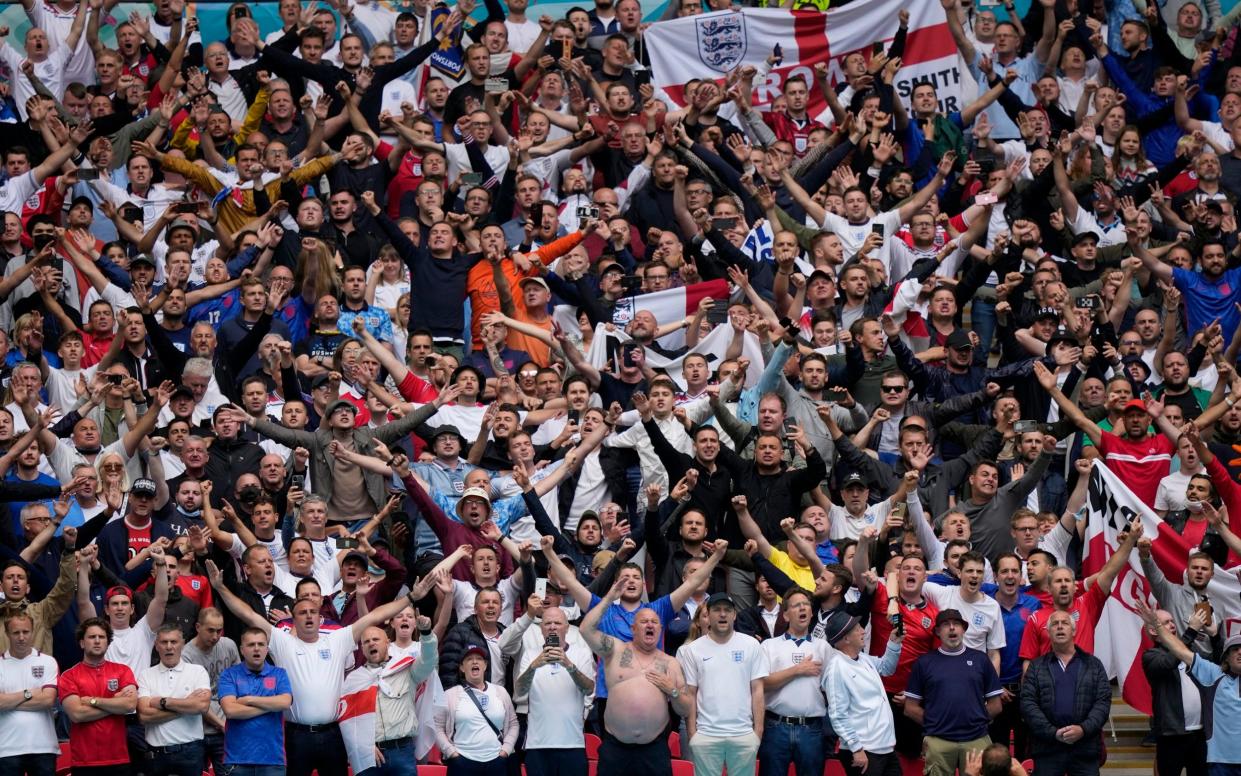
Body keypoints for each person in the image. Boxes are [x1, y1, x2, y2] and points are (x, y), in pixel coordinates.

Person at [204, 559, 433, 776]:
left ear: (320, 616)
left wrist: (412, 597)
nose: (309, 616)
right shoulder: (283, 642)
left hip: (333, 734)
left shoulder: (337, 639)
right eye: (302, 613)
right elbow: (249, 615)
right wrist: (220, 588)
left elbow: (376, 615)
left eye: (313, 612)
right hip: (296, 736)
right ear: (293, 619)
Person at [578, 577, 692, 776]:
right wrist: (609, 599)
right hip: (615, 748)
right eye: (644, 621)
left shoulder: (670, 663)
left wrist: (672, 690)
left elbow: (686, 709)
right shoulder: (615, 650)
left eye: (655, 622)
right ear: (633, 629)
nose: (650, 624)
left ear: (660, 629)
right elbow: (585, 629)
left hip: (654, 750)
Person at [677, 591, 769, 776]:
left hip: (743, 734)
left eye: (727, 610)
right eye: (717, 610)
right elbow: (691, 693)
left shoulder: (751, 645)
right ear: (707, 615)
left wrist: (757, 732)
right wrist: (693, 733)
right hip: (706, 735)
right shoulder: (692, 650)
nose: (722, 614)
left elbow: (758, 690)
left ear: (734, 615)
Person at [904, 609, 1004, 776]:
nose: (952, 628)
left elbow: (996, 705)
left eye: (956, 624)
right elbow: (910, 708)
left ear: (963, 629)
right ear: (937, 631)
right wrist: (935, 725)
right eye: (945, 625)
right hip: (938, 742)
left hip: (976, 740)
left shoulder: (981, 659)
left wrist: (975, 722)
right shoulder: (924, 662)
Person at [1019, 611, 1111, 776]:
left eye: (1065, 623)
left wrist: (1083, 729)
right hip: (1047, 749)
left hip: (1085, 749)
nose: (1060, 627)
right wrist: (1053, 733)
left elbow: (1102, 703)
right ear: (1048, 632)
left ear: (1074, 631)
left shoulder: (1094, 665)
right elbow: (1028, 703)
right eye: (1055, 624)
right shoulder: (1036, 667)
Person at [345, 616, 439, 776]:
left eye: (376, 639)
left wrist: (427, 634)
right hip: (368, 754)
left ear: (387, 643)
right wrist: (363, 745)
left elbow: (429, 660)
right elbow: (348, 720)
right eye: (366, 642)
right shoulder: (354, 679)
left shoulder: (406, 668)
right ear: (362, 648)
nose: (371, 643)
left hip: (401, 751)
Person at [757, 587, 833, 776]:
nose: (802, 609)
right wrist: (797, 670)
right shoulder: (769, 646)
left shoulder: (823, 646)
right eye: (796, 605)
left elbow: (832, 688)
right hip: (776, 727)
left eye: (806, 605)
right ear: (786, 615)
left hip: (812, 728)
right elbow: (761, 683)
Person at [515, 604, 596, 776]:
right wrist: (533, 667)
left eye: (557, 623)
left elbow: (589, 689)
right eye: (547, 623)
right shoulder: (530, 654)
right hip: (537, 745)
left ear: (567, 628)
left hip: (573, 744)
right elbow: (520, 691)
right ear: (541, 629)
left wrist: (568, 665)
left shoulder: (581, 652)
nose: (552, 627)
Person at [823, 609, 905, 776]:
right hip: (863, 750)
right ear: (845, 638)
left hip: (885, 747)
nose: (863, 631)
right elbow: (838, 715)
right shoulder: (836, 668)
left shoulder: (863, 658)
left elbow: (886, 667)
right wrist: (856, 748)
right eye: (857, 629)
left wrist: (894, 642)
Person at [58, 617, 140, 776]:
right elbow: (77, 714)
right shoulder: (69, 676)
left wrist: (93, 701)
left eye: (101, 637)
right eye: (91, 637)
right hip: (83, 761)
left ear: (108, 642)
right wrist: (116, 704)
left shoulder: (123, 671)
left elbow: (130, 705)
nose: (97, 641)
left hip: (119, 758)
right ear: (82, 643)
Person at [136, 624, 212, 776]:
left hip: (191, 751)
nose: (169, 647)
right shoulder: (145, 675)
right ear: (156, 645)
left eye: (174, 642)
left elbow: (202, 706)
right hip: (156, 754)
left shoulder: (197, 671)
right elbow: (144, 716)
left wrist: (163, 702)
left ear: (182, 643)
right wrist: (187, 705)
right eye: (164, 642)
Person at [218, 627, 294, 776]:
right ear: (242, 649)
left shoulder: (279, 674)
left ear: (267, 648)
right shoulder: (229, 675)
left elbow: (285, 702)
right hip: (237, 761)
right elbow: (231, 711)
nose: (256, 649)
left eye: (261, 644)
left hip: (273, 760)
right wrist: (271, 705)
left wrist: (248, 700)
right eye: (251, 645)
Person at [433, 645, 519, 775]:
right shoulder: (450, 695)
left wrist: (506, 750)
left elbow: (513, 723)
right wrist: (451, 752)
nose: (474, 661)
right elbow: (437, 727)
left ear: (485, 665)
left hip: (496, 761)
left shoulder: (500, 692)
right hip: (462, 762)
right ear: (462, 667)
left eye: (479, 658)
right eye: (469, 659)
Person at [0, 613, 59, 776]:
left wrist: (9, 700)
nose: (21, 637)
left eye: (26, 632)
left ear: (32, 632)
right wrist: (28, 694)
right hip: (5, 749)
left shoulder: (47, 662)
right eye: (16, 633)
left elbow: (47, 700)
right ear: (7, 634)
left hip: (43, 747)